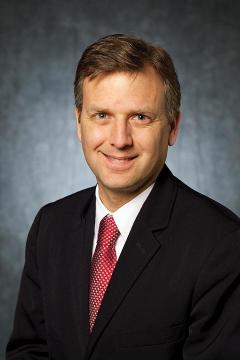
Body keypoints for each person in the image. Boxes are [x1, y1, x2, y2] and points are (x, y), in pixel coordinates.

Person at [6, 34, 240, 360]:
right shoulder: (51, 225)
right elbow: (29, 351)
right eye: (102, 115)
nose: (119, 140)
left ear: (172, 126)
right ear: (79, 123)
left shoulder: (222, 244)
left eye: (140, 117)